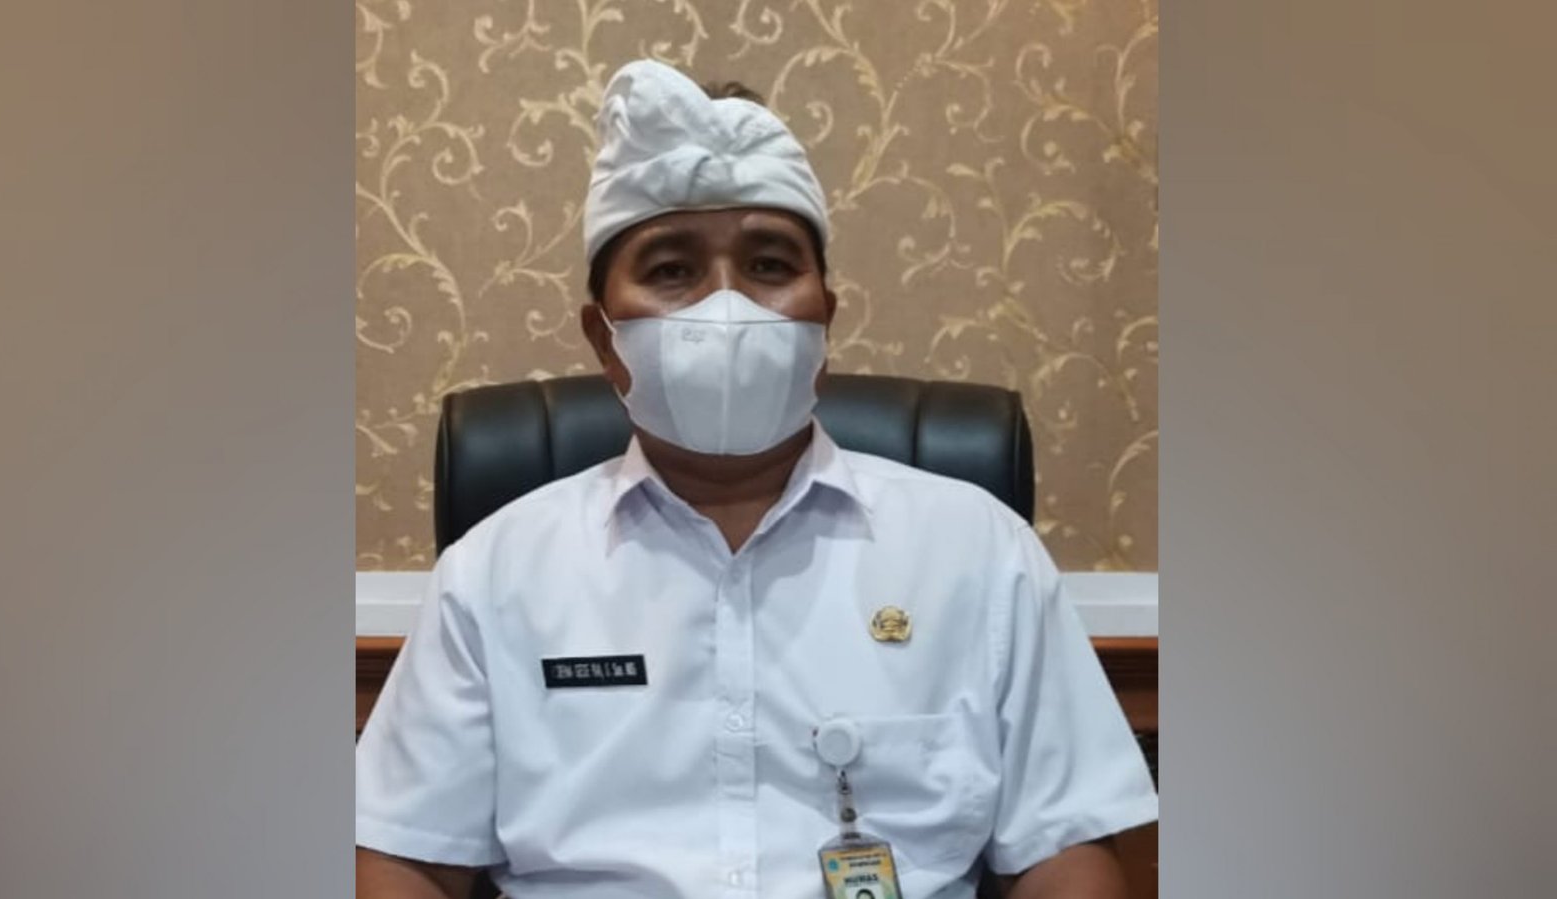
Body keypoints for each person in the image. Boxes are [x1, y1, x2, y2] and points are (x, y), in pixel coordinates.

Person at [355, 59, 1158, 899]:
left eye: (770, 265)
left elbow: (1065, 852)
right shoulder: (492, 575)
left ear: (824, 319)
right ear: (603, 337)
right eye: (672, 270)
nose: (727, 308)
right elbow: (406, 858)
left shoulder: (980, 551)